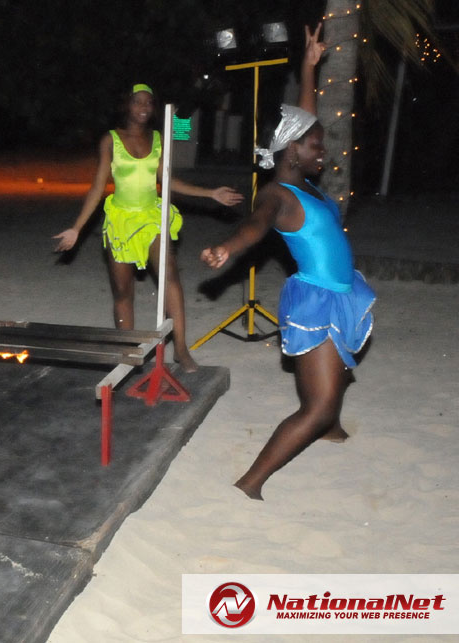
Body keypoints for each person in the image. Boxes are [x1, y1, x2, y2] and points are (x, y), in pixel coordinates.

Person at [200, 25, 375, 500]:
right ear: (293, 150)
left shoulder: (302, 179)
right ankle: (250, 482)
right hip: (316, 298)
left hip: (338, 290)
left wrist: (309, 65)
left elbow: (305, 118)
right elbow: (255, 225)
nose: (325, 151)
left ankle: (332, 428)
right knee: (315, 406)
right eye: (317, 147)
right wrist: (230, 248)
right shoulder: (278, 194)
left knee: (338, 366)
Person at [53, 83, 243, 372]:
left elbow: (169, 182)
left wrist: (210, 193)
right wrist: (77, 228)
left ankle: (180, 349)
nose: (143, 108)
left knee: (170, 278)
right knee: (123, 290)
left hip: (151, 217)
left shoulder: (157, 138)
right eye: (137, 102)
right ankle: (127, 352)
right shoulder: (111, 140)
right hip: (120, 220)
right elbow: (97, 187)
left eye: (148, 103)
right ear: (126, 105)